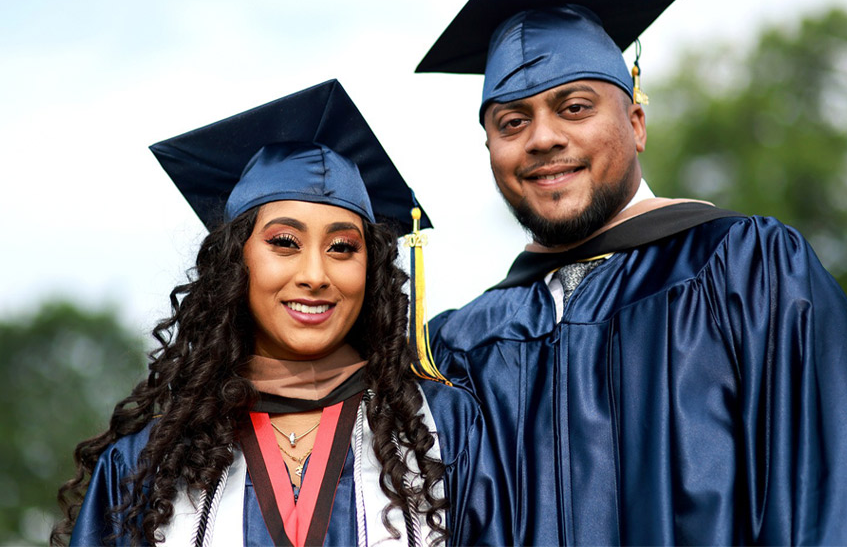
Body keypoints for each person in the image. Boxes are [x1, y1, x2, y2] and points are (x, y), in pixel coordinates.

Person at [415, 0, 847, 545]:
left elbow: (835, 504)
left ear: (635, 124)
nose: (542, 138)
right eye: (512, 122)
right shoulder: (458, 351)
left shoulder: (749, 273)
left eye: (574, 107)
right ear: (491, 150)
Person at [51, 79, 506, 547]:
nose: (315, 274)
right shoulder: (153, 462)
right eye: (284, 243)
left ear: (370, 271)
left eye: (342, 248)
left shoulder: (442, 432)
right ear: (235, 262)